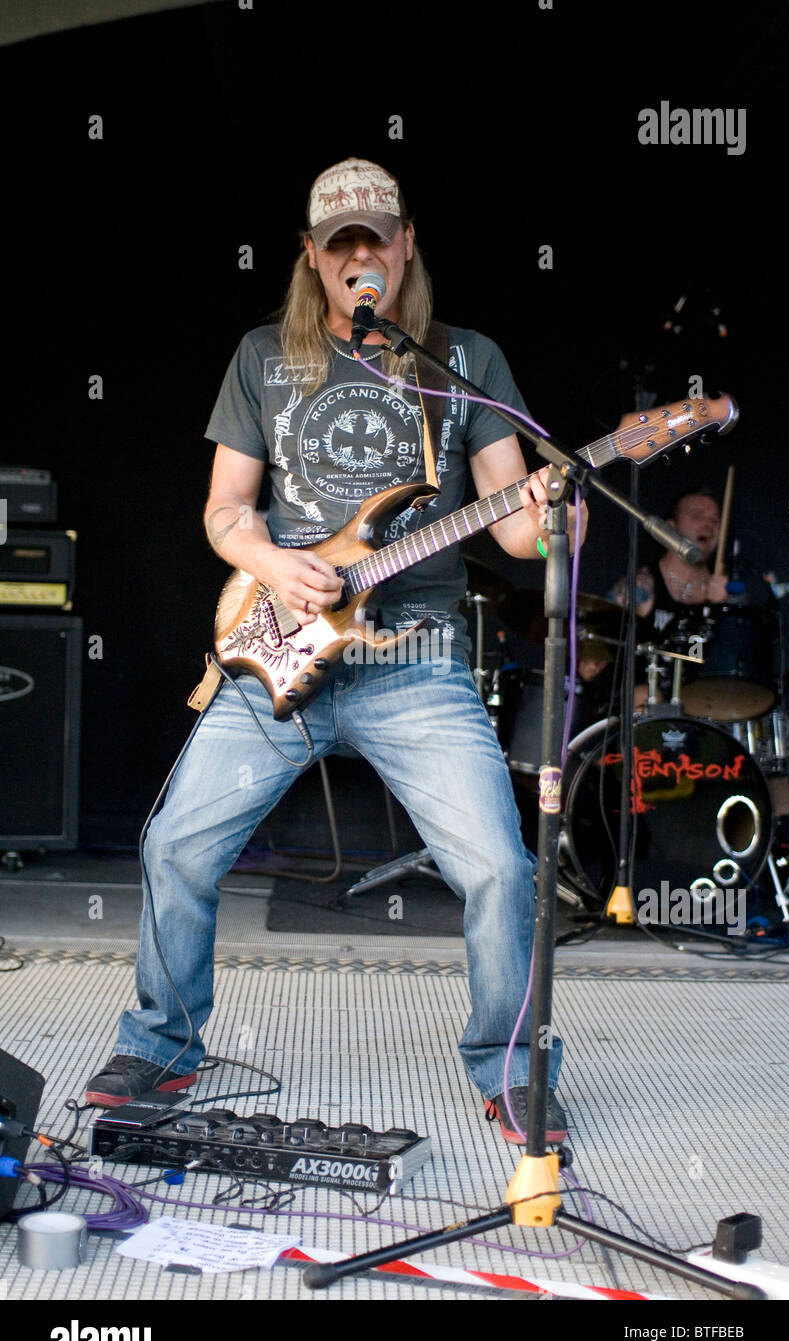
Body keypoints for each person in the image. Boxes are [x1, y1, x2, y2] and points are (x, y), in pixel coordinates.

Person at [84, 157, 586, 1146]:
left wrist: (546, 512)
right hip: (283, 654)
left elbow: (517, 539)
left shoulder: (462, 360)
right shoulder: (262, 355)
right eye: (339, 243)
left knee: (496, 866)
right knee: (174, 844)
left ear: (403, 248)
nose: (361, 257)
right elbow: (224, 511)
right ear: (312, 257)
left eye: (377, 240)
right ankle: (162, 1044)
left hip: (415, 661)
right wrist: (273, 560)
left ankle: (509, 1064)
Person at [608, 487, 729, 708]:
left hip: (708, 702)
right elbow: (598, 639)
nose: (709, 525)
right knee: (643, 696)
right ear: (670, 528)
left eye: (715, 520)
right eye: (697, 516)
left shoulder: (725, 594)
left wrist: (724, 607)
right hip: (649, 702)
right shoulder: (642, 584)